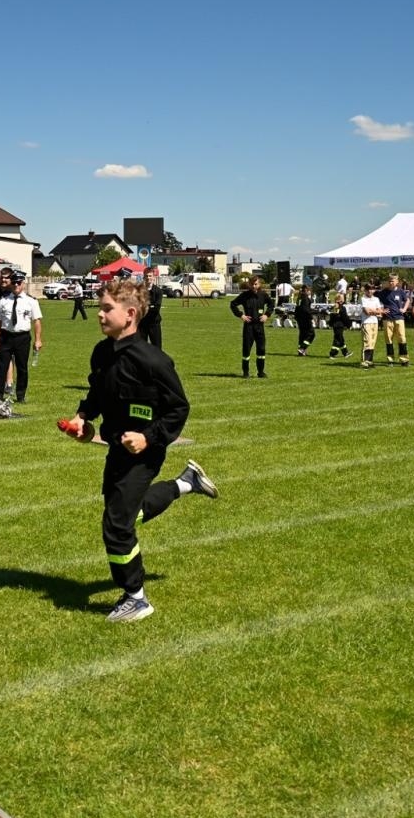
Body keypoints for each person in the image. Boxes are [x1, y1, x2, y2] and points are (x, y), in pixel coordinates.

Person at [66, 278, 217, 624]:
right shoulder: (102, 352)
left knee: (117, 524)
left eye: (107, 309)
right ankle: (186, 483)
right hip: (117, 447)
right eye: (100, 308)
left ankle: (136, 597)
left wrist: (149, 438)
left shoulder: (154, 361)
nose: (100, 315)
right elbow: (97, 394)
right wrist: (83, 417)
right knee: (124, 514)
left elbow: (178, 409)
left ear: (130, 314)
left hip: (147, 450)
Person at [0, 271, 43, 403]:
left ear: (23, 284)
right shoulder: (3, 300)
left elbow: (36, 321)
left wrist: (38, 340)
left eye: (19, 282)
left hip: (23, 337)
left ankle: (21, 395)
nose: (16, 285)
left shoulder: (31, 301)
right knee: (1, 367)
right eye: (14, 282)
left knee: (22, 368)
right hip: (6, 337)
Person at [230, 275, 271, 378]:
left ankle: (261, 372)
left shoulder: (263, 295)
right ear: (249, 284)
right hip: (249, 327)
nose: (253, 286)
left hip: (259, 327)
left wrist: (267, 315)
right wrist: (241, 315)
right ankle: (245, 372)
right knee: (246, 349)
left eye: (255, 284)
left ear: (259, 284)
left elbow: (272, 304)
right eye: (252, 284)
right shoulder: (245, 295)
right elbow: (233, 304)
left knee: (261, 350)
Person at [379, 273, 411, 365]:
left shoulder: (401, 291)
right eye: (389, 281)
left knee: (402, 339)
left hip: (399, 318)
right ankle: (390, 360)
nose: (391, 282)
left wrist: (404, 309)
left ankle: (404, 359)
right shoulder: (384, 292)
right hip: (387, 319)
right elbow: (376, 300)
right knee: (389, 340)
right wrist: (381, 310)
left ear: (397, 281)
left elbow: (408, 300)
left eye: (392, 281)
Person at [357, 282, 383, 367]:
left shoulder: (376, 299)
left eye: (372, 289)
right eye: (368, 289)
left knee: (372, 342)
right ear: (365, 290)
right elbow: (367, 312)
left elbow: (380, 311)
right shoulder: (363, 298)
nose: (370, 291)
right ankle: (364, 361)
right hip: (366, 322)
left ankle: (370, 361)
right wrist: (377, 311)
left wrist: (375, 311)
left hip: (375, 322)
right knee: (367, 341)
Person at [137, 267, 163, 348]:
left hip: (154, 324)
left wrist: (145, 307)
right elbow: (137, 306)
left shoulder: (158, 291)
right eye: (147, 276)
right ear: (144, 277)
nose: (148, 278)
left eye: (150, 276)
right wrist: (150, 306)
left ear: (153, 277)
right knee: (141, 348)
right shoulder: (139, 290)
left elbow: (156, 309)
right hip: (142, 323)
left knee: (157, 348)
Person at [326, 291, 353, 358]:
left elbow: (332, 316)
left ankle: (345, 353)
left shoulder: (334, 307)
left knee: (340, 339)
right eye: (342, 298)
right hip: (340, 325)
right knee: (338, 340)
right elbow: (345, 317)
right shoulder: (342, 308)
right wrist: (349, 325)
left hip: (335, 326)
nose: (344, 299)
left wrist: (330, 324)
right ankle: (332, 354)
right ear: (340, 300)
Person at [293, 284, 316, 356]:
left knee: (302, 335)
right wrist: (311, 317)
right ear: (307, 290)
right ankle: (302, 348)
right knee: (311, 334)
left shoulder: (299, 298)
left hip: (299, 318)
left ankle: (301, 351)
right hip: (305, 319)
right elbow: (306, 310)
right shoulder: (305, 298)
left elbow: (298, 308)